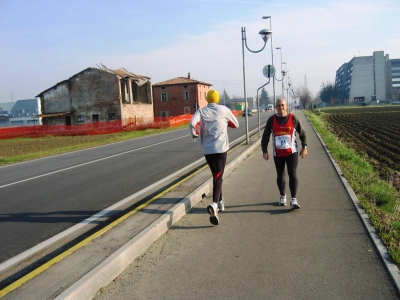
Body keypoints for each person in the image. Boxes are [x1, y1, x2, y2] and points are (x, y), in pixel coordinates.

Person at [190, 90, 239, 225]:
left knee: (216, 175)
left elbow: (193, 124)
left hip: (207, 149)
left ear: (207, 99)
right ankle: (215, 204)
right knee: (218, 176)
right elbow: (236, 124)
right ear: (217, 99)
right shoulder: (224, 109)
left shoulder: (201, 111)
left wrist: (195, 134)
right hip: (221, 148)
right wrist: (224, 123)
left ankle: (221, 201)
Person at [261, 98, 307, 209]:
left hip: (292, 152)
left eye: (282, 105)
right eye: (278, 106)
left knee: (293, 174)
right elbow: (265, 136)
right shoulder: (271, 120)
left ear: (286, 106)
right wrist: (265, 151)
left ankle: (294, 199)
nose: (280, 107)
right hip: (278, 153)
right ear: (275, 107)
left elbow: (303, 133)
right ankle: (282, 196)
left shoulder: (293, 118)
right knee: (280, 175)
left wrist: (304, 147)